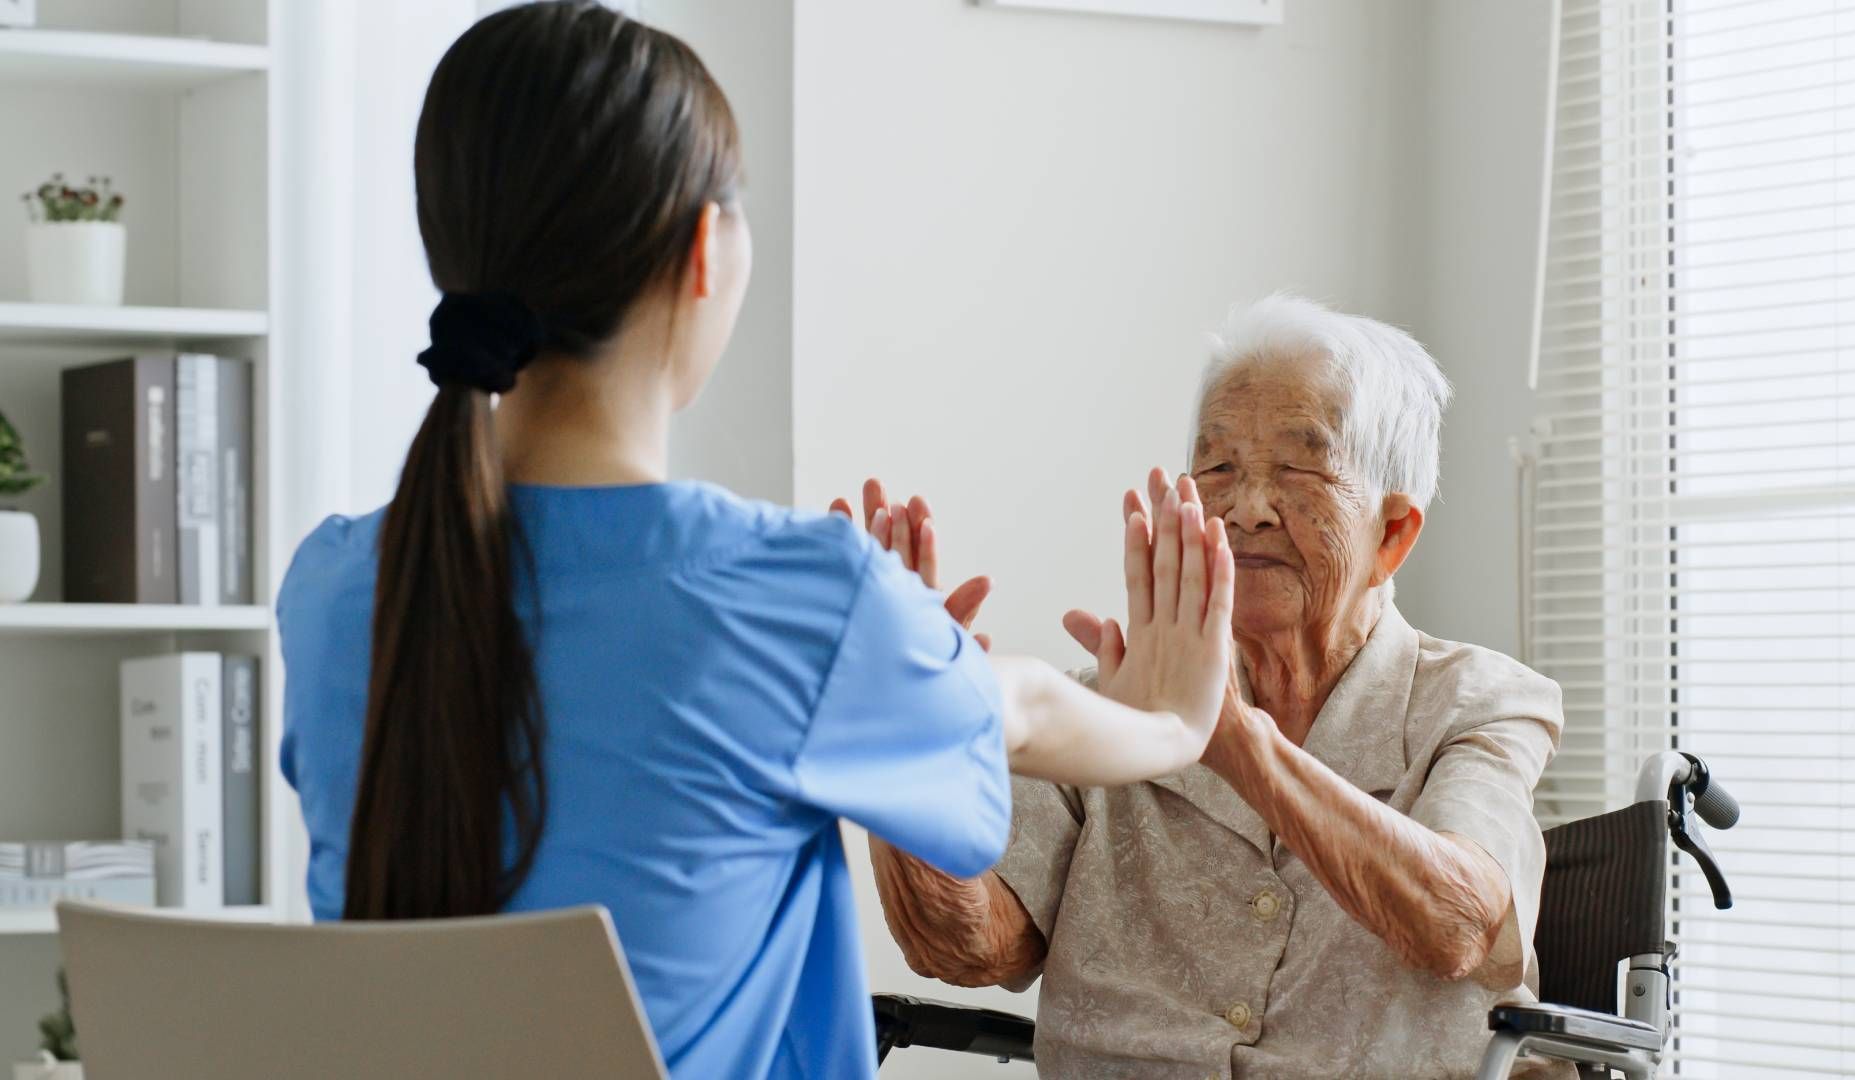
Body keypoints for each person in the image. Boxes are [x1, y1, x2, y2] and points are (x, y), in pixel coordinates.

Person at [274, 5, 1236, 1079]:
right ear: (701, 250)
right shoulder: (795, 599)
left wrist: (887, 645)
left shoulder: (332, 590)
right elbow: (1021, 707)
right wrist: (1169, 720)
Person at [870, 294, 1569, 1079]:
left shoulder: (1480, 703)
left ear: (1393, 533)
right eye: (1219, 469)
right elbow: (967, 947)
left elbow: (1460, 925)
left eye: (1300, 470)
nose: (1248, 508)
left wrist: (1227, 739)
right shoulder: (1106, 706)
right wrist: (902, 757)